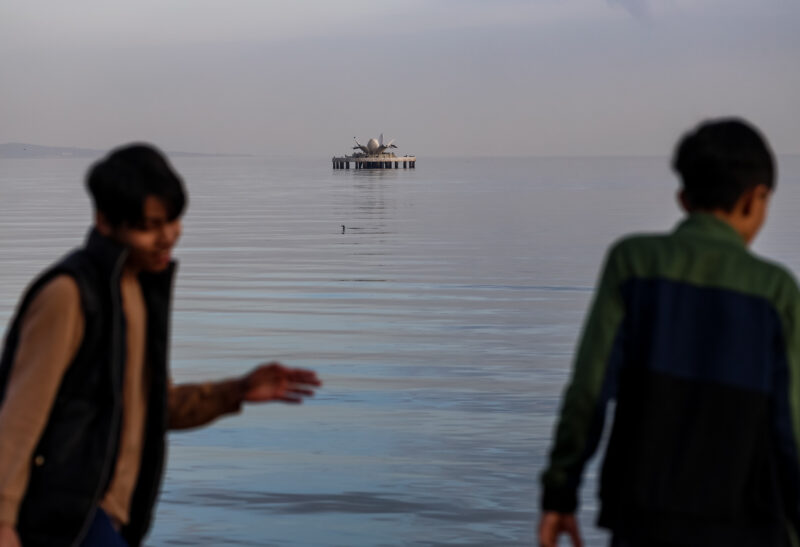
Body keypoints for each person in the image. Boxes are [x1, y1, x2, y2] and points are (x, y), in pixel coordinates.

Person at [0, 144, 321, 547]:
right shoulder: (69, 295)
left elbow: (154, 407)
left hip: (108, 518)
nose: (167, 237)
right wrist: (2, 521)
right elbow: (19, 418)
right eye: (150, 225)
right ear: (105, 222)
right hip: (67, 519)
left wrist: (235, 391)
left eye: (172, 221)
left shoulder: (136, 288)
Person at [538, 118, 799, 547]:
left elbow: (589, 390)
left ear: (682, 198)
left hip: (643, 517)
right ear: (757, 198)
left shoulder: (632, 263)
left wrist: (559, 492)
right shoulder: (776, 292)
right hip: (749, 522)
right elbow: (791, 426)